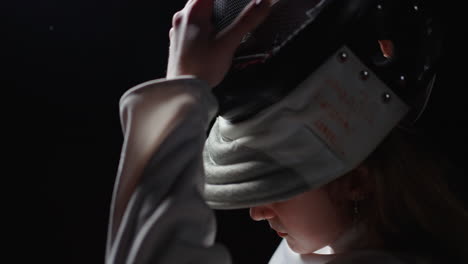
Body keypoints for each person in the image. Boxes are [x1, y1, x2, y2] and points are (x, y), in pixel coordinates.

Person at [105, 0, 468, 263]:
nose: (256, 212)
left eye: (275, 180)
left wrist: (185, 86)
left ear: (355, 181)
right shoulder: (323, 248)